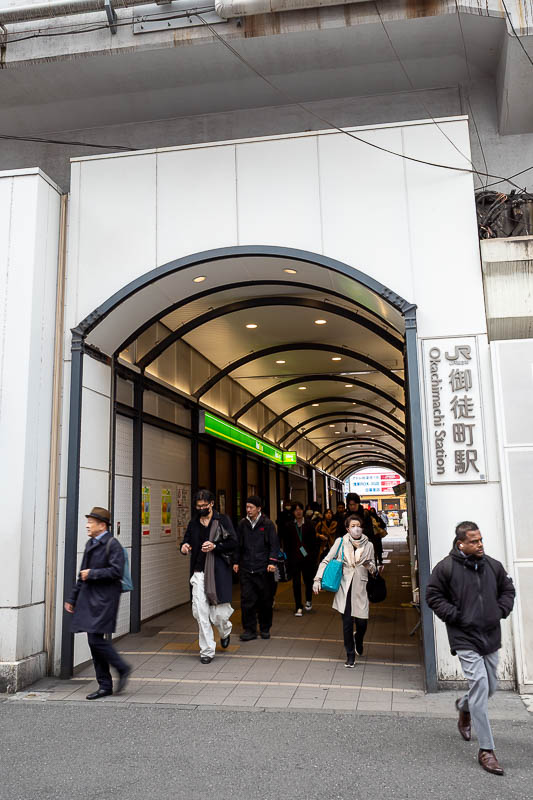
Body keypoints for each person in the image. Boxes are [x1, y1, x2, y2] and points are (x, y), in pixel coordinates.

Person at [426, 521, 516, 776]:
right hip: (464, 636)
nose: (480, 545)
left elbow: (508, 590)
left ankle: (465, 707)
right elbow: (432, 595)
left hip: (489, 635)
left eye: (481, 540)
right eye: (474, 541)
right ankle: (486, 750)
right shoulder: (446, 568)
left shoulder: (492, 566)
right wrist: (456, 616)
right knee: (480, 684)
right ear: (461, 544)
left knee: (490, 686)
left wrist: (499, 610)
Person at [64, 506, 131, 700]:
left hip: (106, 600)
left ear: (102, 526)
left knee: (94, 640)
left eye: (91, 522)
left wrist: (92, 574)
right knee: (93, 641)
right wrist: (72, 598)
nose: (87, 525)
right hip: (90, 598)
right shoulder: (90, 543)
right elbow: (82, 573)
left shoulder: (113, 544)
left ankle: (121, 668)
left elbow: (116, 572)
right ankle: (105, 684)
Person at [181, 489, 238, 663]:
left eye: (204, 506)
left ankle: (225, 631)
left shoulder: (222, 520)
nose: (200, 509)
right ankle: (206, 651)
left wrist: (215, 546)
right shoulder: (194, 523)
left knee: (218, 615)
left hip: (218, 572)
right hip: (199, 573)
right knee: (201, 613)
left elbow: (233, 542)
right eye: (198, 506)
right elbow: (186, 541)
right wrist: (184, 547)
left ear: (212, 504)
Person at [313, 513, 375, 667]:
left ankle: (358, 639)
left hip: (360, 587)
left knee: (362, 622)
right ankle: (350, 655)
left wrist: (370, 566)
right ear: (347, 529)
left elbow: (374, 568)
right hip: (345, 587)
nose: (356, 529)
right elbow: (326, 560)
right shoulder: (341, 542)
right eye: (353, 526)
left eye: (358, 526)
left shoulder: (369, 545)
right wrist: (317, 579)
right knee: (347, 622)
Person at [234, 496, 279, 641]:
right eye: (246, 507)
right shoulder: (242, 524)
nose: (248, 510)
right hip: (246, 568)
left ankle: (265, 628)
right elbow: (237, 545)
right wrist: (235, 561)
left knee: (265, 600)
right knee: (247, 601)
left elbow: (274, 545)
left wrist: (272, 562)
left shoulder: (267, 524)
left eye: (251, 507)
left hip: (263, 569)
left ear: (259, 509)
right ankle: (249, 629)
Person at [285, 501, 318, 616]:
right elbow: (287, 544)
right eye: (295, 510)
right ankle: (298, 606)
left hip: (307, 559)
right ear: (293, 512)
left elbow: (314, 543)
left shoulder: (309, 525)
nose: (298, 512)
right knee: (296, 583)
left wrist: (313, 558)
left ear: (303, 510)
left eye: (300, 509)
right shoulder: (289, 526)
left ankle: (308, 600)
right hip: (294, 559)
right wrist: (287, 560)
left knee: (308, 581)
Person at [345, 493, 383, 567]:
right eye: (350, 505)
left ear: (358, 503)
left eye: (354, 504)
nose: (352, 507)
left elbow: (370, 531)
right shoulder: (345, 516)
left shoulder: (365, 514)